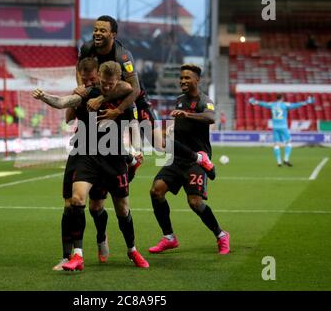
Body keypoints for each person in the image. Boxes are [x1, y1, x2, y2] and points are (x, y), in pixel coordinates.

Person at [32, 61, 149, 270]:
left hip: (113, 157)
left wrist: (137, 150)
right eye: (103, 83)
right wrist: (44, 97)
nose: (105, 87)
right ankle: (77, 256)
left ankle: (132, 249)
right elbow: (62, 102)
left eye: (110, 84)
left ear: (117, 81)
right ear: (100, 79)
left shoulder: (125, 98)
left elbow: (133, 125)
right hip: (87, 155)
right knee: (77, 199)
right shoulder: (88, 94)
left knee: (122, 210)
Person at [78, 15, 215, 180]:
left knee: (159, 144)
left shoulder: (123, 56)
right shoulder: (87, 48)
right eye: (95, 30)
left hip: (135, 100)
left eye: (102, 30)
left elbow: (133, 89)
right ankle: (131, 161)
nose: (97, 33)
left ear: (113, 34)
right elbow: (80, 69)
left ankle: (200, 158)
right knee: (105, 141)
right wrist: (81, 87)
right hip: (111, 99)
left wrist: (116, 109)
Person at [148, 64, 230, 255]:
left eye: (187, 78)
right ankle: (169, 237)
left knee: (195, 203)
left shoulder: (204, 100)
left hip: (197, 159)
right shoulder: (179, 100)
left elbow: (210, 117)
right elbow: (179, 126)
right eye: (181, 78)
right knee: (156, 191)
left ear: (197, 80)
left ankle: (221, 235)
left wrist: (187, 114)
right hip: (177, 158)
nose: (183, 81)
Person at [249, 94, 315, 166]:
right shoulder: (285, 105)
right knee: (288, 142)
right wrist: (307, 102)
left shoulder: (272, 104)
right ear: (282, 98)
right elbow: (296, 105)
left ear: (276, 98)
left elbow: (263, 104)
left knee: (276, 144)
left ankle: (279, 162)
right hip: (283, 127)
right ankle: (286, 160)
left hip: (275, 127)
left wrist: (254, 101)